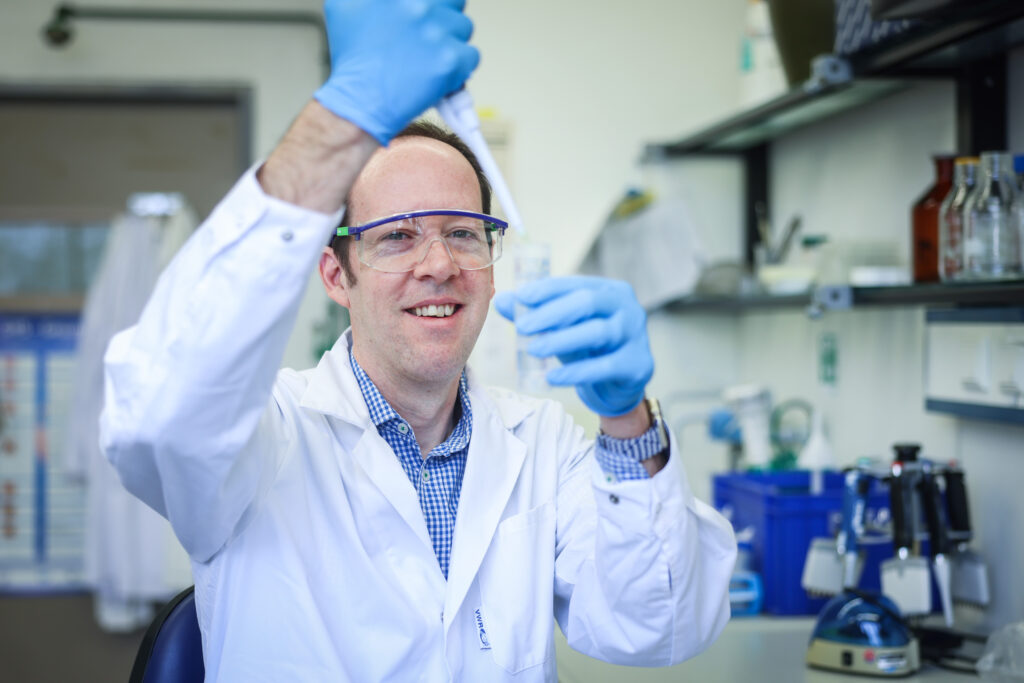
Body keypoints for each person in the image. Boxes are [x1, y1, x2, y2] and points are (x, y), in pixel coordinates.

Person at [100, 0, 737, 680]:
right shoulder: (264, 439)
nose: (439, 264)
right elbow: (160, 415)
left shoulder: (544, 444)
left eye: (463, 232)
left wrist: (628, 418)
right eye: (398, 236)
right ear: (334, 274)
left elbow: (658, 627)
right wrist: (341, 114)